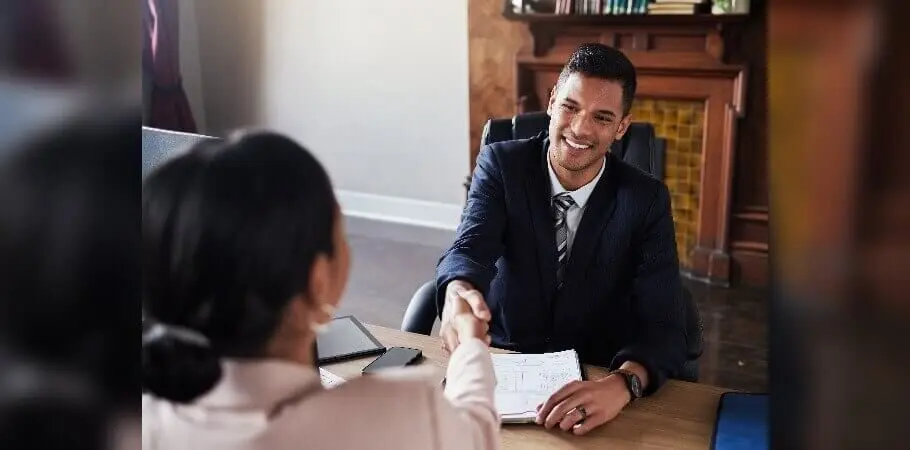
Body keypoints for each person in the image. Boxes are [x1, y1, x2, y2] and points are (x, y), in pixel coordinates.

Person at [141, 131, 500, 450]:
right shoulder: (402, 417)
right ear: (317, 280)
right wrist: (470, 348)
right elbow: (477, 432)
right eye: (338, 227)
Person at [436, 43, 688, 435]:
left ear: (621, 127)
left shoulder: (645, 199)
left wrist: (623, 384)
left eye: (602, 117)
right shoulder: (502, 165)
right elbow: (469, 250)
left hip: (594, 376)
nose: (581, 129)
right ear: (552, 101)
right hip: (504, 362)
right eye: (571, 107)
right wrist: (458, 292)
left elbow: (666, 324)